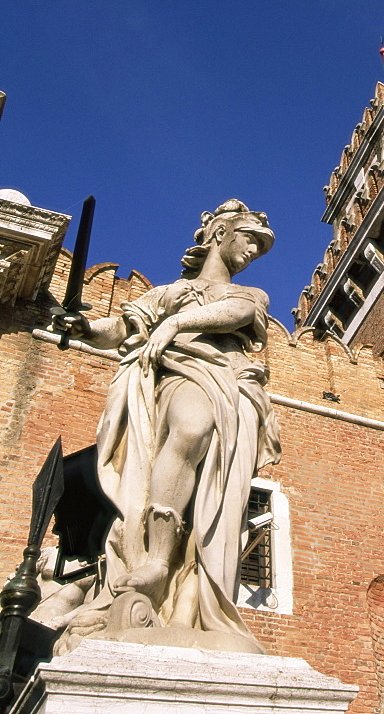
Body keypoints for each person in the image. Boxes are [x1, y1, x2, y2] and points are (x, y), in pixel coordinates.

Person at [51, 200, 281, 653]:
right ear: (220, 234)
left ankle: (187, 585)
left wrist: (175, 322)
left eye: (260, 246)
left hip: (228, 382)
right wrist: (82, 328)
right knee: (189, 430)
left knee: (210, 472)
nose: (253, 250)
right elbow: (120, 328)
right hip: (177, 374)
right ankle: (157, 560)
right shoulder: (167, 292)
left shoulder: (252, 295)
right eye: (249, 238)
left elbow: (234, 315)